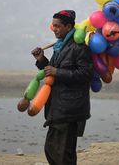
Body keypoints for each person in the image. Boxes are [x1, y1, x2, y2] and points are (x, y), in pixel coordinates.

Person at [31, 10, 93, 165]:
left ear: (69, 26)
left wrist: (57, 71)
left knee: (60, 153)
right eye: (53, 26)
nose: (55, 29)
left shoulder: (79, 48)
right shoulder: (60, 47)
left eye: (58, 26)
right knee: (56, 150)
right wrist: (41, 60)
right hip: (59, 106)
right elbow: (51, 71)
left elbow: (85, 74)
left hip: (70, 108)